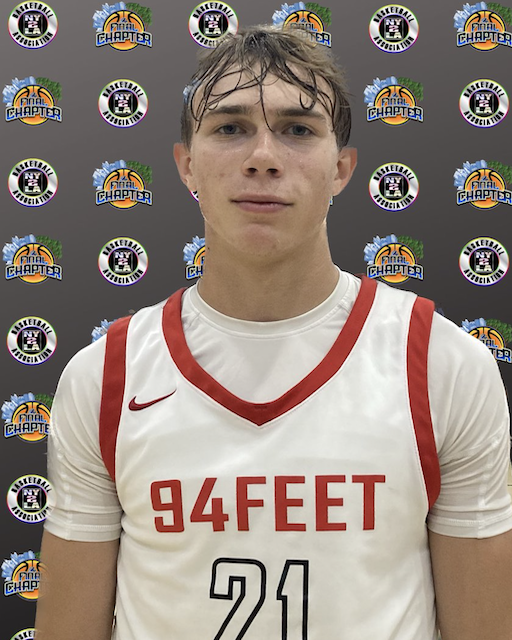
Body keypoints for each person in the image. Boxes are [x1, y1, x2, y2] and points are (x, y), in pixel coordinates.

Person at [35, 25, 512, 640]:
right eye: (230, 128)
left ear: (341, 169)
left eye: (298, 130)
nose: (263, 156)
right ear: (187, 165)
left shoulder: (443, 363)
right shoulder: (106, 375)